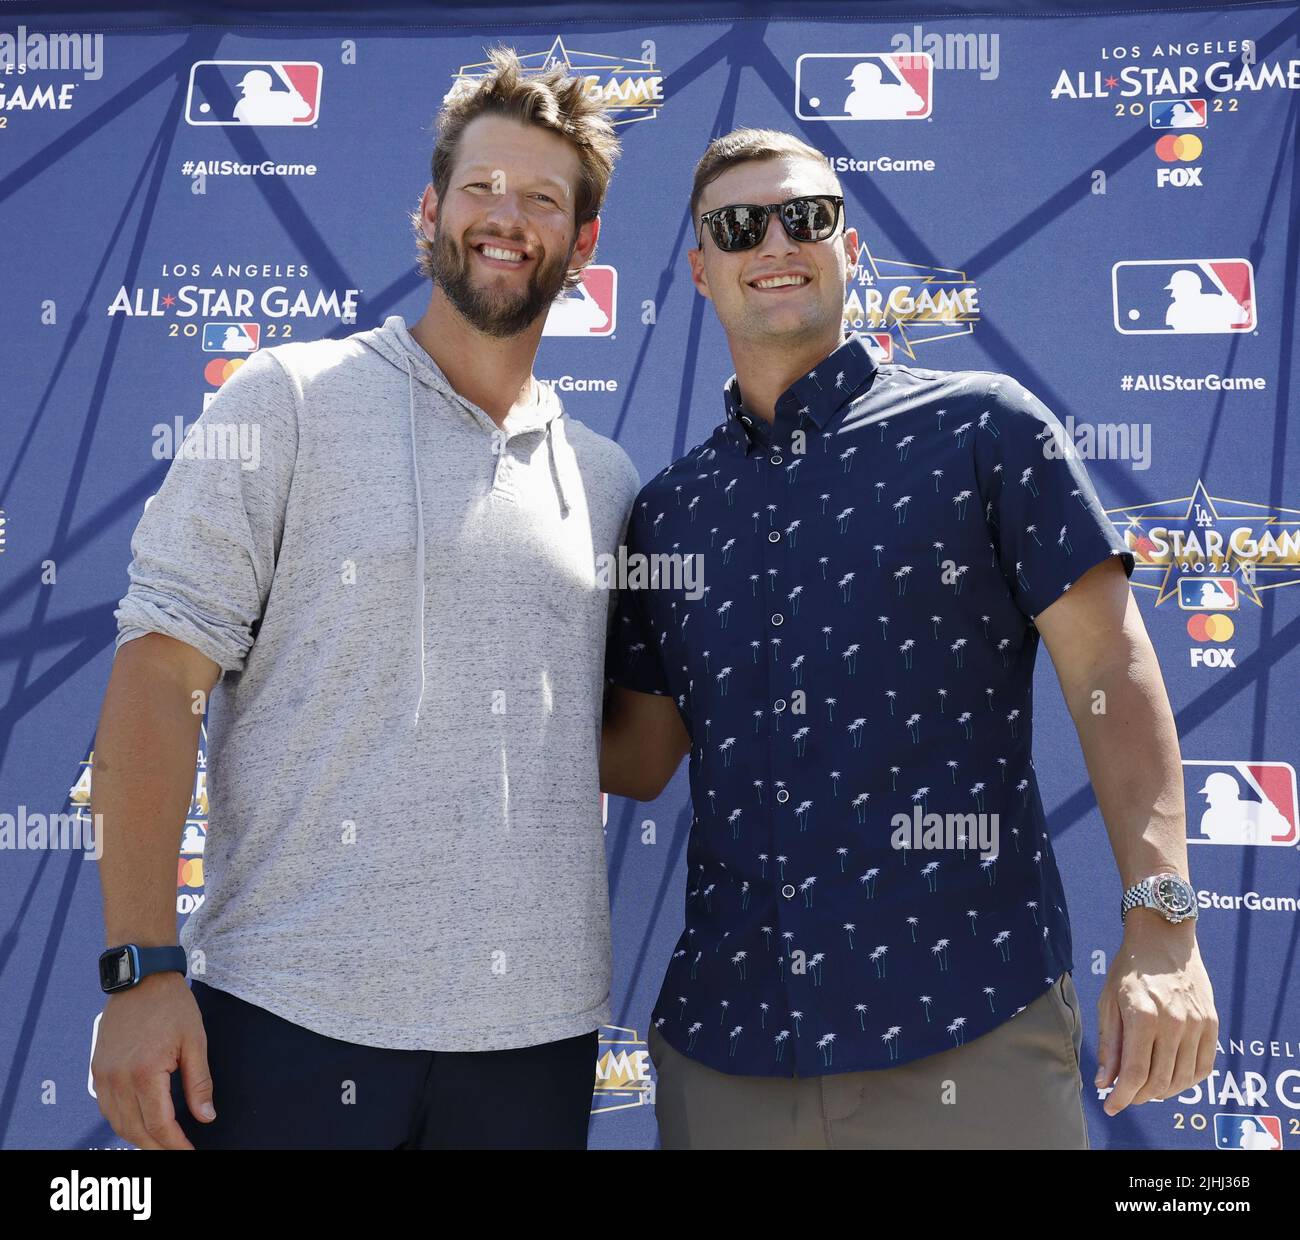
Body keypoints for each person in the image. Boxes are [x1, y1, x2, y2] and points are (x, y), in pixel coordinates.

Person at [600, 127, 1217, 1150]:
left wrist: (1162, 926)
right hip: (729, 1054)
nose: (776, 240)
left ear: (850, 245)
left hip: (972, 1026)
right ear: (701, 269)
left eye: (806, 215)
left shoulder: (986, 430)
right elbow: (638, 753)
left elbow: (1110, 669)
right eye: (737, 225)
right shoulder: (671, 513)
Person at [91, 46, 638, 1151]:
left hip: (532, 1045)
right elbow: (158, 676)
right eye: (480, 187)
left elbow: (630, 748)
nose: (505, 215)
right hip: (288, 1016)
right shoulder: (287, 398)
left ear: (580, 246)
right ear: (428, 211)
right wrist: (141, 970)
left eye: (541, 198)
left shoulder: (610, 478)